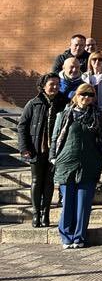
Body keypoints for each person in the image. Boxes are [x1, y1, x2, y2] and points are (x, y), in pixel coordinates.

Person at [50, 84, 102, 249]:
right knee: (68, 201)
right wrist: (53, 157)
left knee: (83, 203)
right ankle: (66, 236)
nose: (86, 98)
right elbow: (55, 137)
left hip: (89, 163)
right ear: (76, 95)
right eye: (83, 94)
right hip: (67, 163)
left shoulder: (97, 115)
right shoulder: (65, 114)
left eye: (90, 95)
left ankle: (79, 237)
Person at [18, 73, 68, 227]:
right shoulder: (34, 103)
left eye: (57, 84)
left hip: (55, 150)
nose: (54, 87)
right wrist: (24, 148)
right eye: (51, 84)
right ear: (44, 85)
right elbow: (22, 126)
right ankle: (36, 213)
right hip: (36, 149)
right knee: (36, 180)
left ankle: (45, 213)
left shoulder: (64, 103)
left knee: (49, 182)